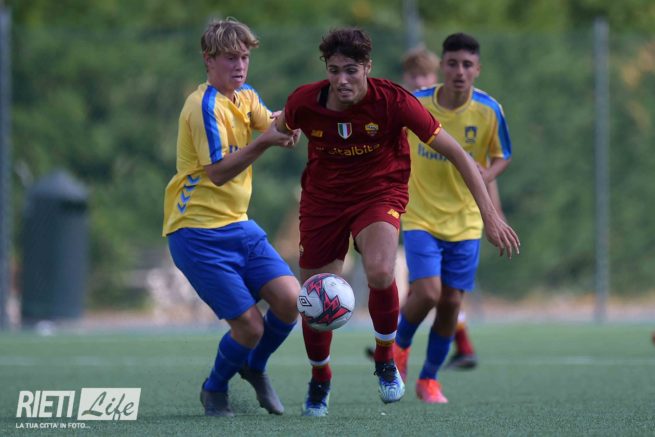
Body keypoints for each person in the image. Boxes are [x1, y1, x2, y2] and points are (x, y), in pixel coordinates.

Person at [275, 27, 519, 417]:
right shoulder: (304, 101)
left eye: (351, 70)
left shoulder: (394, 101)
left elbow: (458, 153)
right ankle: (320, 378)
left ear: (368, 67)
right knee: (315, 298)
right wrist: (276, 132)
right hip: (322, 203)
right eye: (334, 70)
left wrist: (490, 216)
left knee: (381, 270)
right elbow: (280, 127)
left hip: (378, 195)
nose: (342, 80)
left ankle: (386, 358)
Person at [162, 18, 300, 417]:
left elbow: (272, 122)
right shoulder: (202, 106)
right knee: (250, 327)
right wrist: (267, 142)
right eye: (229, 58)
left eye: (244, 57)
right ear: (208, 60)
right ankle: (214, 388)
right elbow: (219, 173)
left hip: (239, 226)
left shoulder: (245, 96)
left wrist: (294, 122)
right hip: (197, 234)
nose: (239, 66)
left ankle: (254, 367)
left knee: (292, 301)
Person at [391, 32, 514, 404]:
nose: (460, 71)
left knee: (450, 304)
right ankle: (398, 348)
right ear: (441, 66)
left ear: (478, 69)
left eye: (467, 65)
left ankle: (429, 379)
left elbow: (502, 155)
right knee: (428, 291)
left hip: (466, 221)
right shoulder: (417, 103)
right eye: (453, 63)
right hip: (421, 216)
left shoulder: (489, 110)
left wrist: (486, 177)